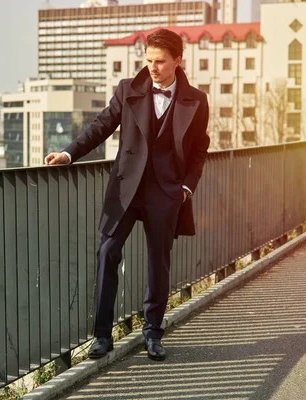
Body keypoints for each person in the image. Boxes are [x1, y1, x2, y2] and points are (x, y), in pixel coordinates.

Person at [44, 28, 210, 361]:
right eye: (148, 60)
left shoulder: (197, 100)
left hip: (166, 193)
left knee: (157, 264)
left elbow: (199, 149)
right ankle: (102, 336)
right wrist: (68, 154)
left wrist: (187, 188)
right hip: (126, 190)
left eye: (161, 62)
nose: (153, 67)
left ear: (178, 61)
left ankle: (152, 334)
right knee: (107, 252)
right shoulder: (128, 90)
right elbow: (101, 126)